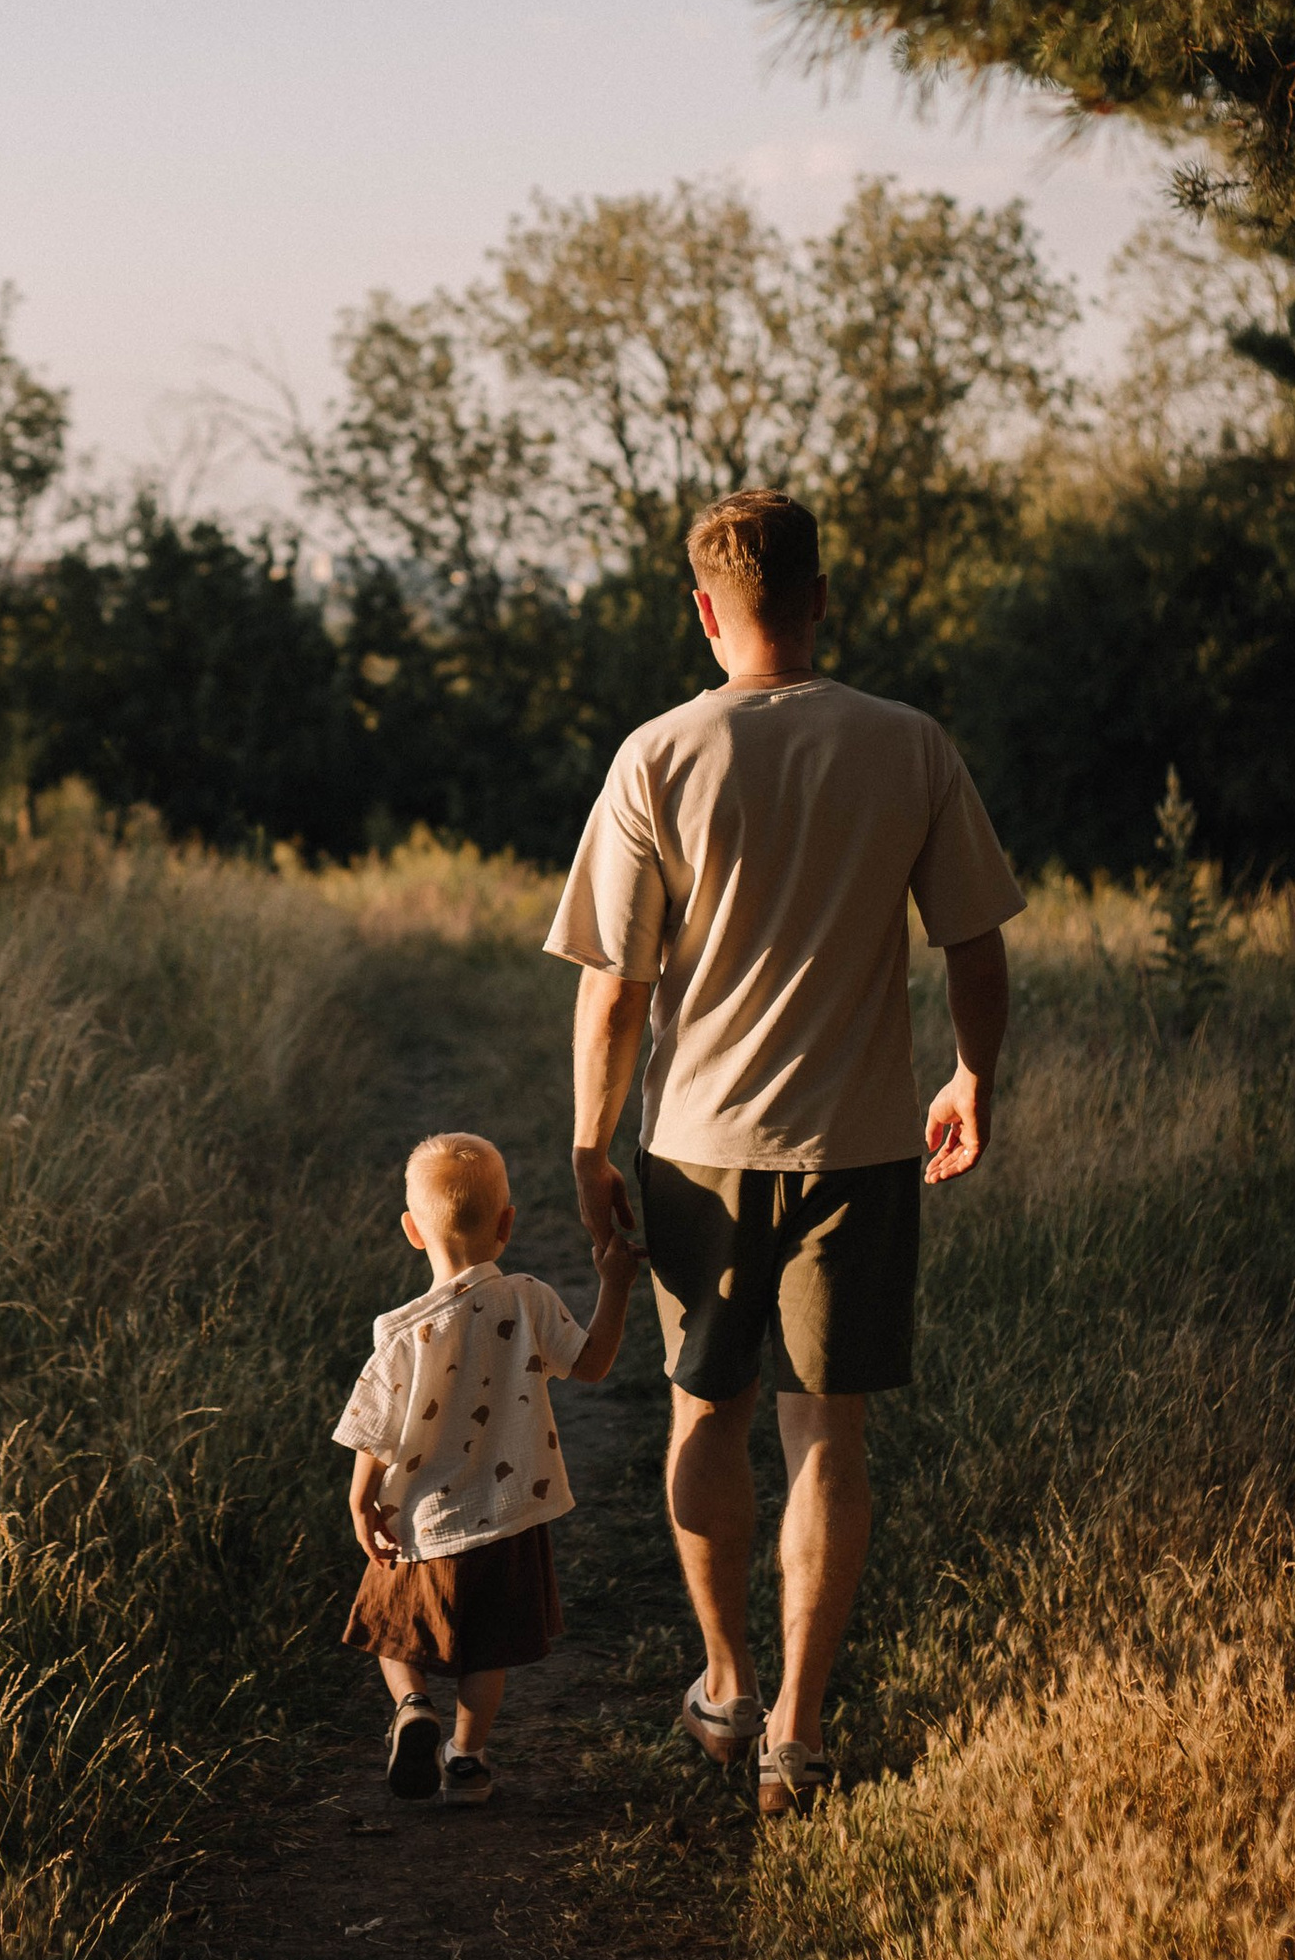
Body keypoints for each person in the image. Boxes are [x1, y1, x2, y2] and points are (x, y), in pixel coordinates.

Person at [546, 488, 1023, 1818]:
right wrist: (972, 1076)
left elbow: (616, 985)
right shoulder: (910, 744)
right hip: (862, 1147)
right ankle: (800, 1738)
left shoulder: (658, 755)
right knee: (831, 1438)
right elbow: (974, 945)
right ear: (821, 601)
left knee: (707, 1411)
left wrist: (592, 1140)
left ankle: (726, 1682)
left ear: (706, 614)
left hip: (696, 1151)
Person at [335, 1130, 635, 1807]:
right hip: (508, 1517)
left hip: (421, 1521)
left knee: (391, 1631)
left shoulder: (402, 1332)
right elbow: (592, 1364)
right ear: (507, 1225)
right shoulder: (527, 1298)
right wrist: (614, 1284)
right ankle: (467, 1757)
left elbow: (373, 1430)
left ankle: (412, 1704)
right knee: (487, 1649)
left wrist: (361, 1502)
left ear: (412, 1231)